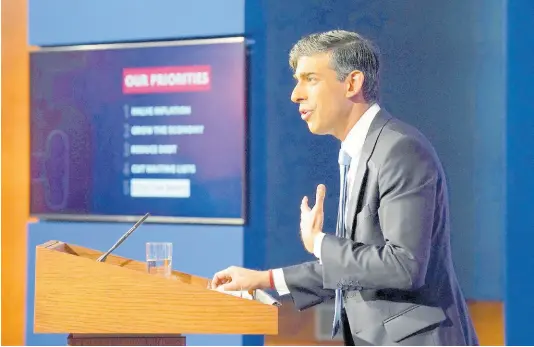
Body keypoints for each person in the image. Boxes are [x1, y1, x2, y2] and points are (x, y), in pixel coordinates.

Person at [210, 30, 479, 346]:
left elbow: (403, 266)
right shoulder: (359, 152)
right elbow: (359, 267)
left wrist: (319, 242)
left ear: (352, 83)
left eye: (310, 79)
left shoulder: (399, 149)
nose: (295, 94)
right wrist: (265, 279)